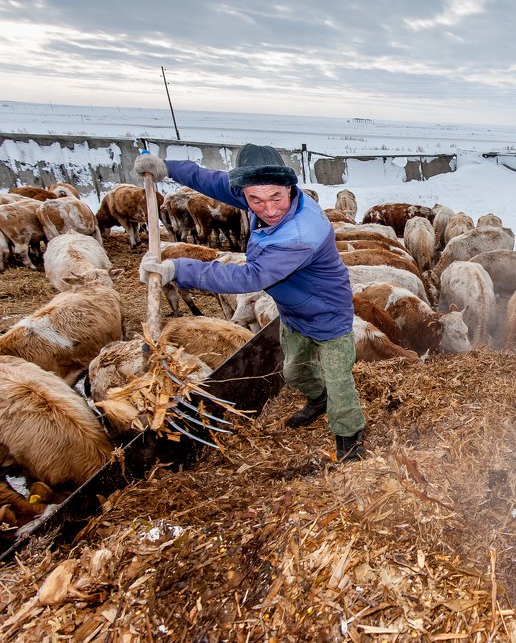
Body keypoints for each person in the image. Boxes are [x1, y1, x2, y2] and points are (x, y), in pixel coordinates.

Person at [134, 145, 366, 461]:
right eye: (255, 200)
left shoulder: (301, 234)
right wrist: (167, 167)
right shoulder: (263, 195)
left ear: (290, 188)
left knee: (340, 382)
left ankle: (349, 438)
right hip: (293, 312)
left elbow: (249, 279)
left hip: (328, 313)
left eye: (275, 199)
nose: (268, 210)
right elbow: (216, 182)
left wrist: (179, 268)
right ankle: (318, 398)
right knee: (295, 371)